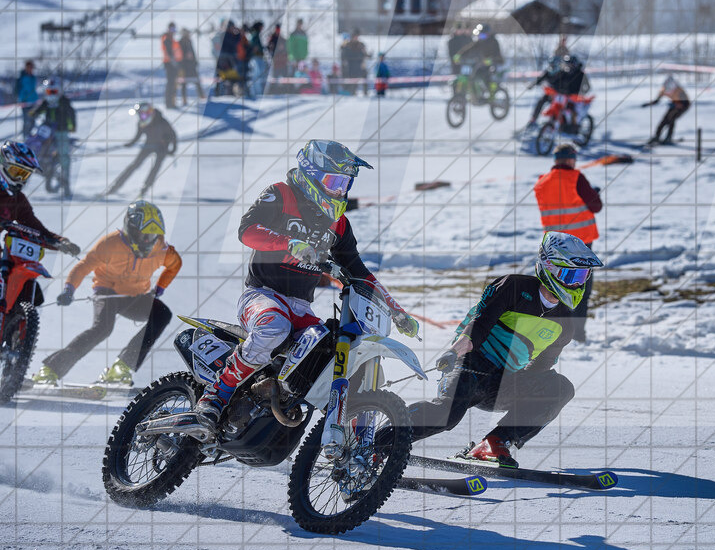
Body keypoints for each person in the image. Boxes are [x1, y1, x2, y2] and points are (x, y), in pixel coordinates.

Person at [191, 140, 420, 429]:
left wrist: (395, 310)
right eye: (334, 181)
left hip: (300, 307)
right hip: (262, 294)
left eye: (345, 184)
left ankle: (346, 434)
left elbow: (359, 271)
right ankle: (215, 395)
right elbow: (246, 230)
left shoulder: (337, 223)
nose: (340, 191)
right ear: (311, 174)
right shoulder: (281, 195)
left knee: (336, 349)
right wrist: (290, 244)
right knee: (275, 326)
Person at [398, 232, 603, 467]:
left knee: (560, 387)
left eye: (583, 275)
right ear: (550, 268)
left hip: (503, 382)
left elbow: (540, 369)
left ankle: (494, 443)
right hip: (470, 366)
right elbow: (478, 327)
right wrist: (454, 352)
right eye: (571, 275)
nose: (578, 284)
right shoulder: (512, 287)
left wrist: (536, 401)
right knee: (447, 415)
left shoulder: (565, 322)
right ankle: (385, 438)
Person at [32, 201, 182, 386]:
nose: (148, 241)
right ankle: (50, 370)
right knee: (102, 328)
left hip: (136, 297)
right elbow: (83, 266)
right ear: (131, 229)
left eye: (153, 236)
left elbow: (175, 264)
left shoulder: (161, 249)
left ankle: (123, 366)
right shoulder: (111, 243)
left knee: (162, 314)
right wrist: (69, 289)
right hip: (107, 292)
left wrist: (160, 287)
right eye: (144, 235)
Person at [532, 143, 602, 343]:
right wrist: (593, 194)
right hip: (580, 246)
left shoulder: (541, 183)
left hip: (554, 247)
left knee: (553, 288)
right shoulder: (576, 178)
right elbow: (596, 206)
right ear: (571, 158)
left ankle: (551, 333)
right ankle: (577, 335)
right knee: (579, 290)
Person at [0, 140, 80, 257]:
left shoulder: (16, 200)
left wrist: (60, 242)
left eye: (24, 175)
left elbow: (34, 228)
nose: (19, 179)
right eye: (16, 172)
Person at [106, 102, 177, 196]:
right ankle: (115, 187)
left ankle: (145, 188)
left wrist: (172, 150)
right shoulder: (141, 123)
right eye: (139, 114)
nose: (141, 117)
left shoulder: (162, 121)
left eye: (142, 114)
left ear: (149, 112)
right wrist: (130, 144)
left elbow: (173, 136)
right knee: (134, 165)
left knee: (155, 167)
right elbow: (137, 136)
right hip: (149, 145)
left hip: (162, 147)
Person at [31, 79, 76, 197]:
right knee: (41, 151)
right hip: (48, 132)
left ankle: (66, 186)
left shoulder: (63, 101)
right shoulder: (46, 102)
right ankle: (45, 169)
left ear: (59, 91)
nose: (51, 94)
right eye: (49, 91)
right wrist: (34, 113)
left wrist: (72, 125)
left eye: (54, 91)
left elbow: (71, 113)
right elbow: (39, 110)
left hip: (61, 131)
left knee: (64, 156)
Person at [527, 54, 589, 129]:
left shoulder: (581, 74)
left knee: (573, 111)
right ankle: (535, 119)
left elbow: (587, 87)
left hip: (574, 98)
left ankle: (574, 128)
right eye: (567, 64)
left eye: (570, 65)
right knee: (546, 102)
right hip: (560, 95)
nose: (568, 67)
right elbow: (553, 82)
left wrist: (580, 93)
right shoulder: (563, 72)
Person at [455, 23, 504, 100]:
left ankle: (492, 95)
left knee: (489, 77)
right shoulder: (479, 42)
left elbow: (497, 55)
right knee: (474, 75)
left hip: (495, 63)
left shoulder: (494, 42)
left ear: (488, 34)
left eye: (483, 36)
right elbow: (469, 48)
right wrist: (459, 55)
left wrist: (491, 60)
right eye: (480, 36)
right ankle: (477, 94)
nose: (481, 38)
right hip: (483, 64)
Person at [641, 74, 691, 145]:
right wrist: (648, 104)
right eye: (667, 91)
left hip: (684, 105)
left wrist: (678, 105)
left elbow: (685, 103)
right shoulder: (663, 90)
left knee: (671, 120)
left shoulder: (679, 91)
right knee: (664, 120)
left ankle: (668, 137)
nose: (668, 92)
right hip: (674, 104)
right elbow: (656, 101)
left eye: (670, 91)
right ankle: (657, 136)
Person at [13, 60, 37, 139]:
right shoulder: (21, 77)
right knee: (27, 121)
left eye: (31, 67)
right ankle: (25, 137)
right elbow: (16, 89)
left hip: (33, 102)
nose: (30, 69)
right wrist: (19, 98)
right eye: (29, 67)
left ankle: (29, 136)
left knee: (33, 121)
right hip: (25, 102)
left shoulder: (33, 77)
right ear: (26, 67)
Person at [177, 27, 203, 105]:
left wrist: (195, 62)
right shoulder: (180, 42)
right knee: (184, 83)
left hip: (192, 65)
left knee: (197, 81)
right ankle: (184, 99)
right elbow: (179, 55)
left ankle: (201, 96)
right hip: (184, 66)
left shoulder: (189, 41)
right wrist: (185, 57)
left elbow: (193, 53)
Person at [160, 22, 180, 109]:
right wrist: (173, 61)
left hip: (172, 63)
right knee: (170, 84)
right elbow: (169, 51)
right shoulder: (167, 38)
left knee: (173, 83)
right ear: (168, 29)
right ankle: (169, 103)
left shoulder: (171, 39)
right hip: (169, 64)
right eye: (172, 29)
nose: (173, 31)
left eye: (174, 29)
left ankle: (171, 102)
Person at [247, 21, 267, 96]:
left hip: (256, 57)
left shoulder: (254, 34)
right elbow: (254, 45)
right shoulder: (255, 34)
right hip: (256, 57)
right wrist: (258, 50)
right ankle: (256, 93)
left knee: (256, 75)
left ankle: (255, 92)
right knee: (256, 75)